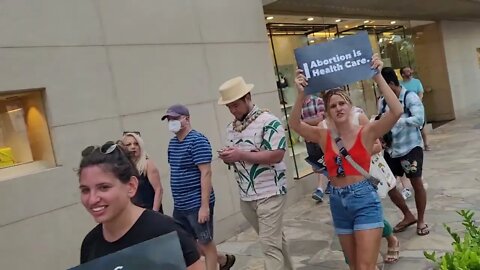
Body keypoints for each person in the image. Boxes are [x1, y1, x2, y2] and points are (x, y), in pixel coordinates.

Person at [289, 54, 403, 270]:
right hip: (337, 201)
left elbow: (396, 111)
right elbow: (295, 124)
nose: (339, 108)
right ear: (328, 112)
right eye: (333, 106)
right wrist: (301, 93)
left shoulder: (366, 132)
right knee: (353, 265)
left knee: (364, 267)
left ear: (351, 107)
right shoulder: (324, 136)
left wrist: (377, 76)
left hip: (364, 200)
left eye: (342, 103)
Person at [77, 141, 203, 269]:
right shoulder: (90, 244)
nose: (92, 199)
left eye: (104, 187)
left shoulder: (166, 232)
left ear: (131, 186)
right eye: (85, 190)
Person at [217, 76, 293, 270]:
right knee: (274, 241)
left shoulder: (269, 121)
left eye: (235, 105)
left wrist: (240, 154)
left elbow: (277, 154)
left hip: (270, 192)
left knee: (269, 245)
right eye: (229, 107)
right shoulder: (231, 128)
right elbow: (237, 156)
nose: (233, 110)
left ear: (247, 97)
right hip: (247, 195)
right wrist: (228, 157)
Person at [162, 104, 236, 270]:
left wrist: (204, 207)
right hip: (180, 205)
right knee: (188, 243)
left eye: (175, 118)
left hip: (196, 203)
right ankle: (223, 260)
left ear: (186, 119)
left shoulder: (197, 141)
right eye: (168, 119)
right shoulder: (172, 144)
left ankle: (217, 263)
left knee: (205, 242)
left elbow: (206, 173)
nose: (171, 122)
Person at [380, 67, 429, 236]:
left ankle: (421, 220)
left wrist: (396, 120)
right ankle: (408, 215)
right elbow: (381, 120)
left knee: (416, 183)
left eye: (384, 87)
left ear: (392, 84)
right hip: (391, 149)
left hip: (410, 147)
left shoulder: (410, 97)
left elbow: (419, 119)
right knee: (388, 184)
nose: (383, 92)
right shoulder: (383, 101)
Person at [121, 132, 164, 213]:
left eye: (136, 144)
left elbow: (159, 190)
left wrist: (154, 212)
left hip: (149, 211)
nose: (133, 147)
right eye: (129, 144)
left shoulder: (147, 164)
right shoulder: (124, 168)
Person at [301, 94, 329, 202]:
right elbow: (297, 123)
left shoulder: (318, 101)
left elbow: (320, 119)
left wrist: (304, 123)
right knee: (317, 164)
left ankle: (321, 187)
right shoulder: (300, 104)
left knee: (326, 159)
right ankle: (323, 186)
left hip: (320, 136)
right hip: (309, 138)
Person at [400, 67, 430, 151]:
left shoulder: (416, 82)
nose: (410, 72)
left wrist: (417, 103)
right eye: (407, 71)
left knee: (421, 125)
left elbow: (420, 93)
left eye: (410, 70)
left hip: (417, 107)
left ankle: (426, 144)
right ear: (402, 74)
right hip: (405, 108)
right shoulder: (400, 84)